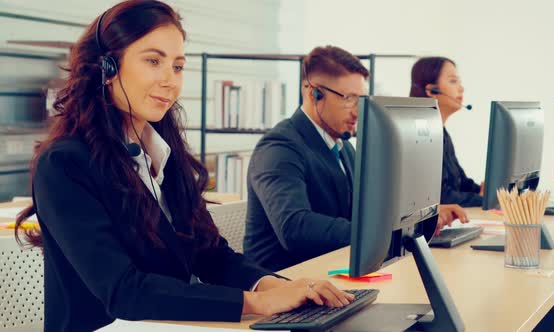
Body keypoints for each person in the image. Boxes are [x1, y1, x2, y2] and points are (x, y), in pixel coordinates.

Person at [14, 2, 352, 331]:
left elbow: (211, 254)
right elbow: (124, 292)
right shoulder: (63, 164)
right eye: (153, 61)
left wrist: (277, 287)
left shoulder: (161, 153)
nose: (170, 80)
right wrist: (256, 304)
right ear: (107, 68)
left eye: (177, 66)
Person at [244, 47, 467, 272]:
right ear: (313, 93)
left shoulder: (343, 148)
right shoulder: (279, 148)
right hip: (287, 283)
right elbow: (295, 228)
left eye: (361, 100)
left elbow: (366, 209)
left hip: (333, 273)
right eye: (349, 99)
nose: (357, 111)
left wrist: (420, 217)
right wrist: (383, 232)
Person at [410, 56, 484, 208]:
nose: (461, 88)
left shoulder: (440, 131)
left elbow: (460, 182)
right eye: (453, 81)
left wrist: (482, 191)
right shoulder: (421, 135)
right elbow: (441, 196)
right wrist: (483, 200)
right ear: (431, 90)